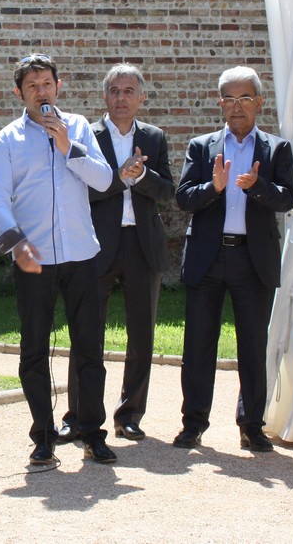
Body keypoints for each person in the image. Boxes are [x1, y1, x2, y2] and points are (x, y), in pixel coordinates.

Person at [0, 53, 116, 466]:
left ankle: (92, 433)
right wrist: (16, 243)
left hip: (81, 254)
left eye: (46, 83)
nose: (40, 92)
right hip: (34, 258)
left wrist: (67, 146)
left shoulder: (78, 127)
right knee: (33, 350)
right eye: (32, 86)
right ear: (19, 93)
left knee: (90, 348)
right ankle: (43, 435)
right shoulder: (8, 139)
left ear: (58, 87)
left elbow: (104, 180)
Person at [173, 65, 293, 453]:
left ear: (259, 102)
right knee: (198, 346)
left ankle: (251, 426)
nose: (237, 106)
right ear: (220, 104)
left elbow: (288, 199)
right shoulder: (202, 146)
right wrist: (214, 187)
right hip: (207, 259)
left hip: (252, 259)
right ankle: (193, 424)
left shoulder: (276, 148)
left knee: (253, 347)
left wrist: (258, 186)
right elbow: (183, 198)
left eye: (245, 98)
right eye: (229, 98)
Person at [59, 64, 175, 444]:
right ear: (104, 96)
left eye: (128, 91)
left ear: (142, 97)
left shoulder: (154, 138)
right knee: (86, 334)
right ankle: (79, 416)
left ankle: (130, 415)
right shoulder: (87, 136)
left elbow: (167, 192)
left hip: (143, 246)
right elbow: (79, 189)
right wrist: (119, 177)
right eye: (114, 91)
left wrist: (140, 176)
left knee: (141, 337)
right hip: (95, 245)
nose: (121, 98)